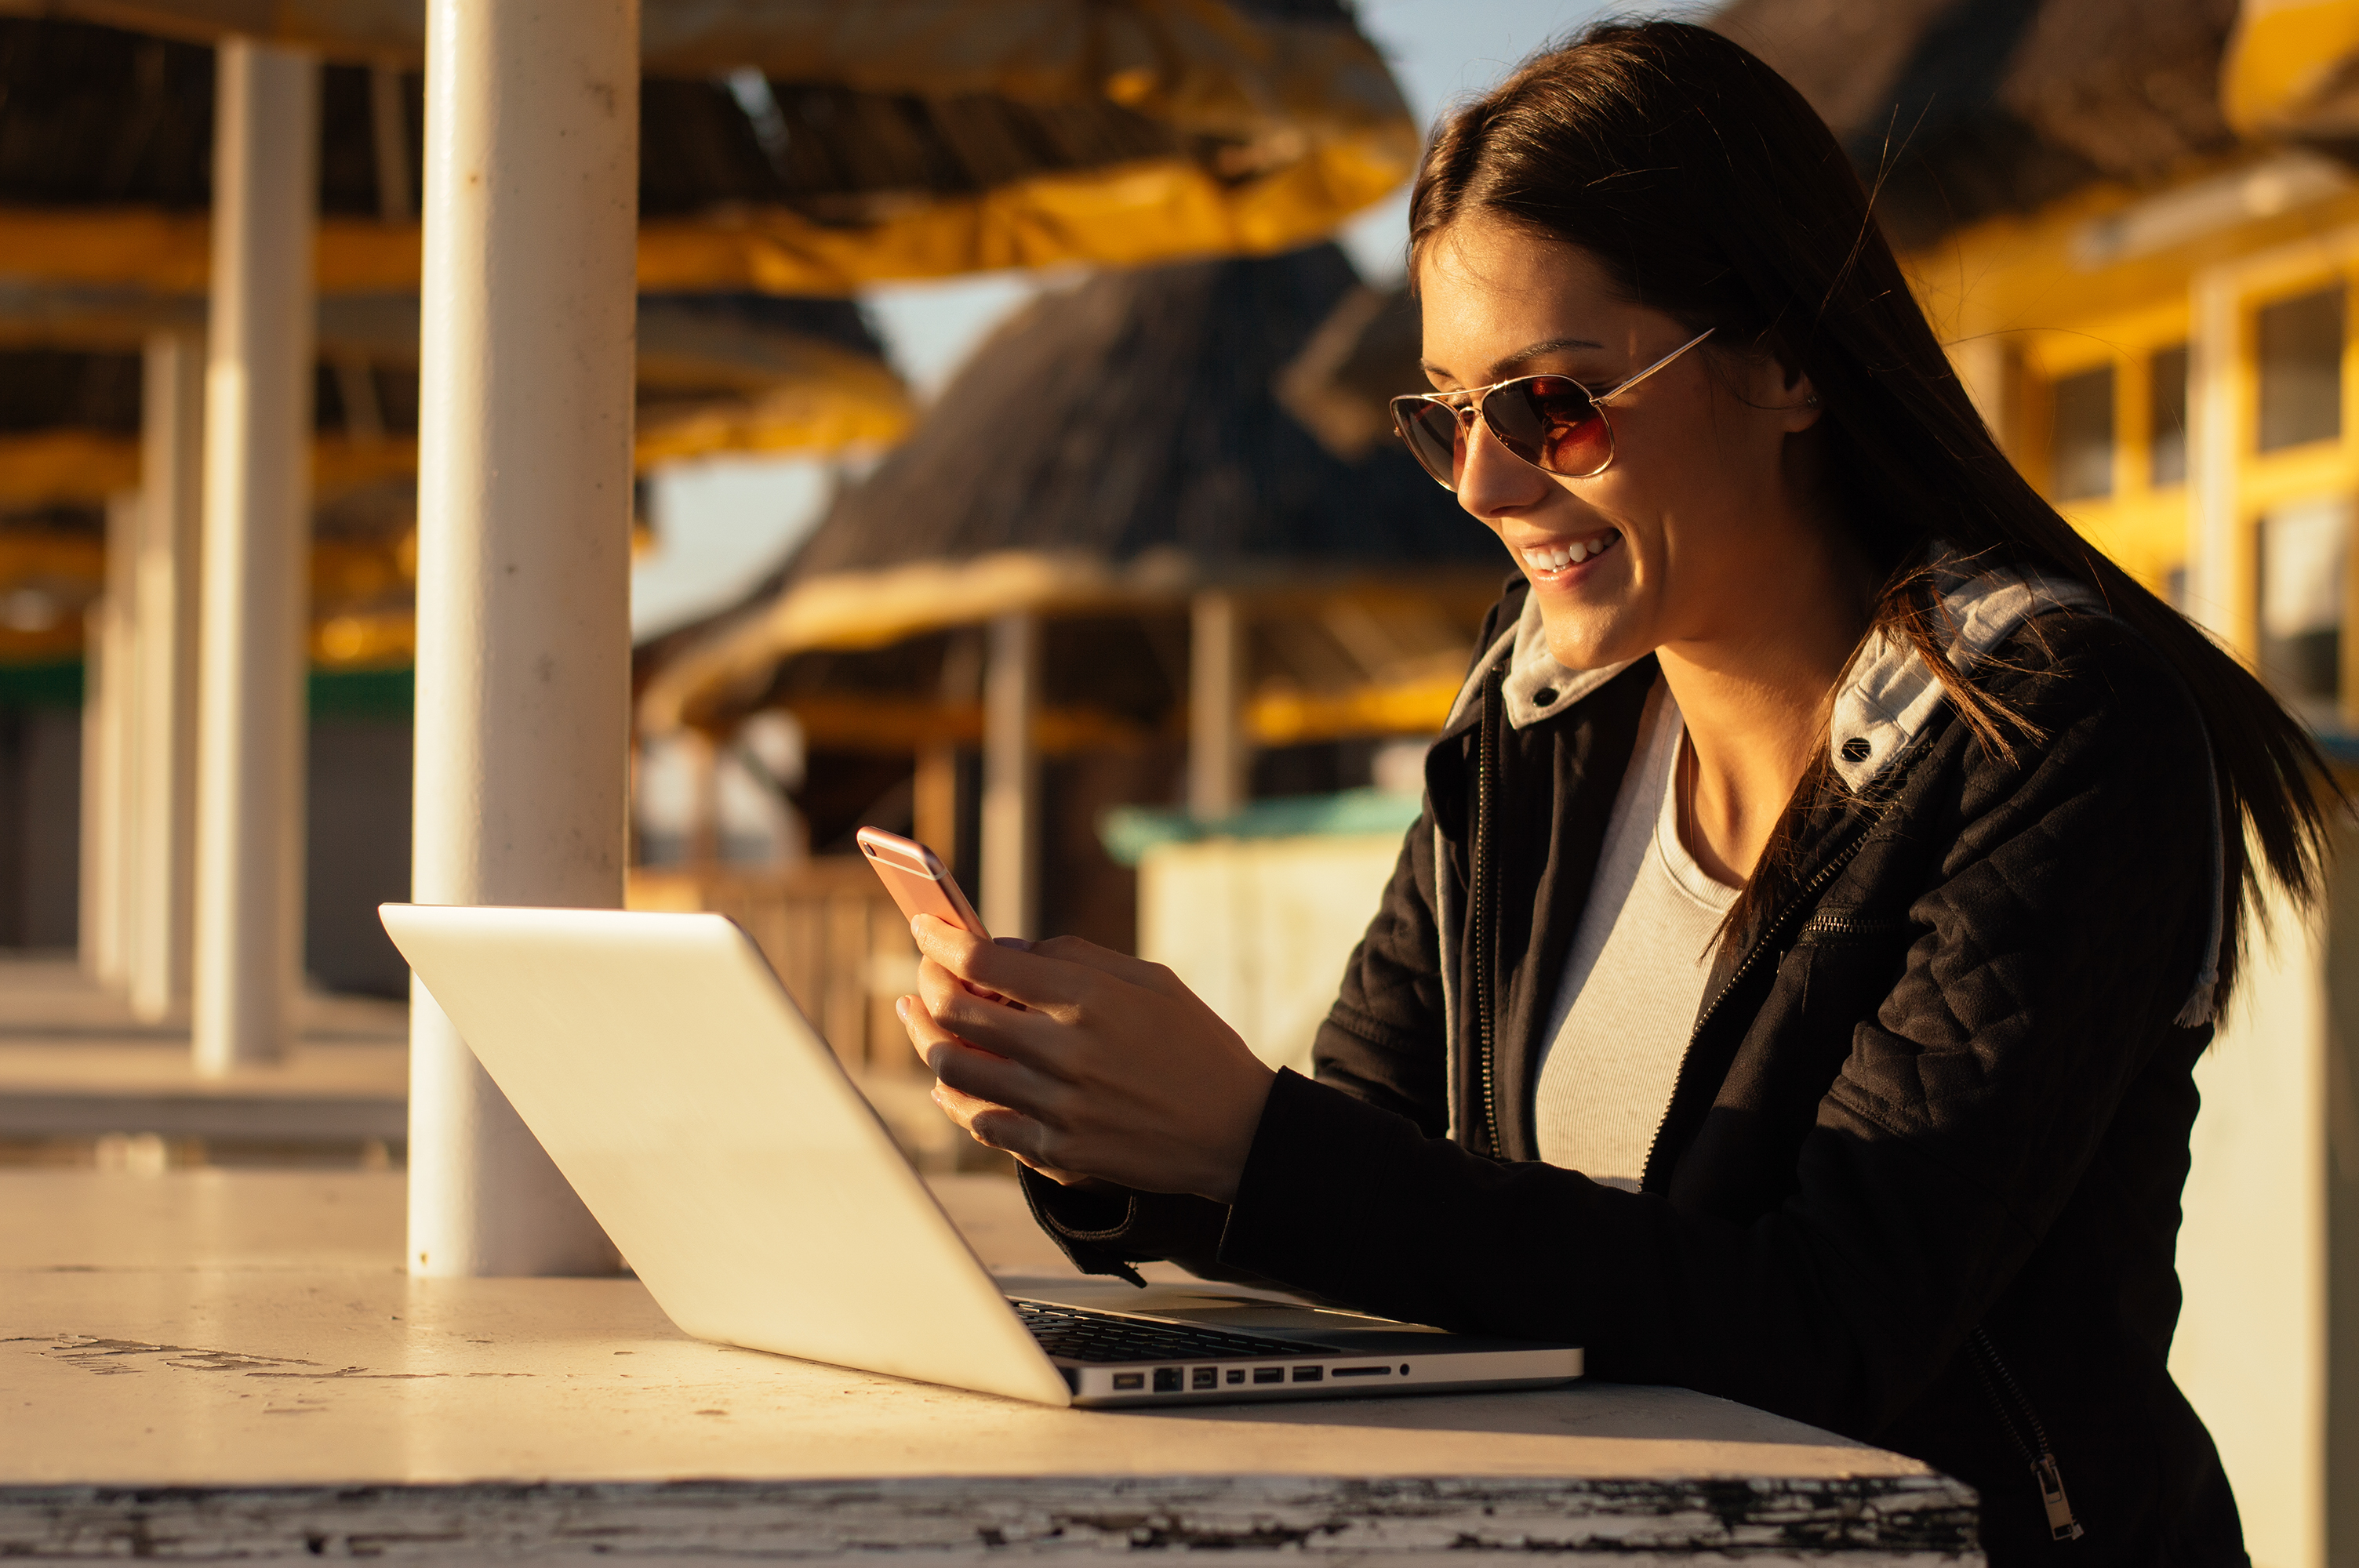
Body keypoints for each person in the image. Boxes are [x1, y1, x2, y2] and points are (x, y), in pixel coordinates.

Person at [892, 20, 2334, 1563]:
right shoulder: (1538, 719)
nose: (1485, 486)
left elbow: (1832, 1326)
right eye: (1446, 413)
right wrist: (1110, 1131)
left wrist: (1247, 1141)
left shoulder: (2047, 725)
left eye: (1553, 404)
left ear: (1782, 361)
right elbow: (1375, 1184)